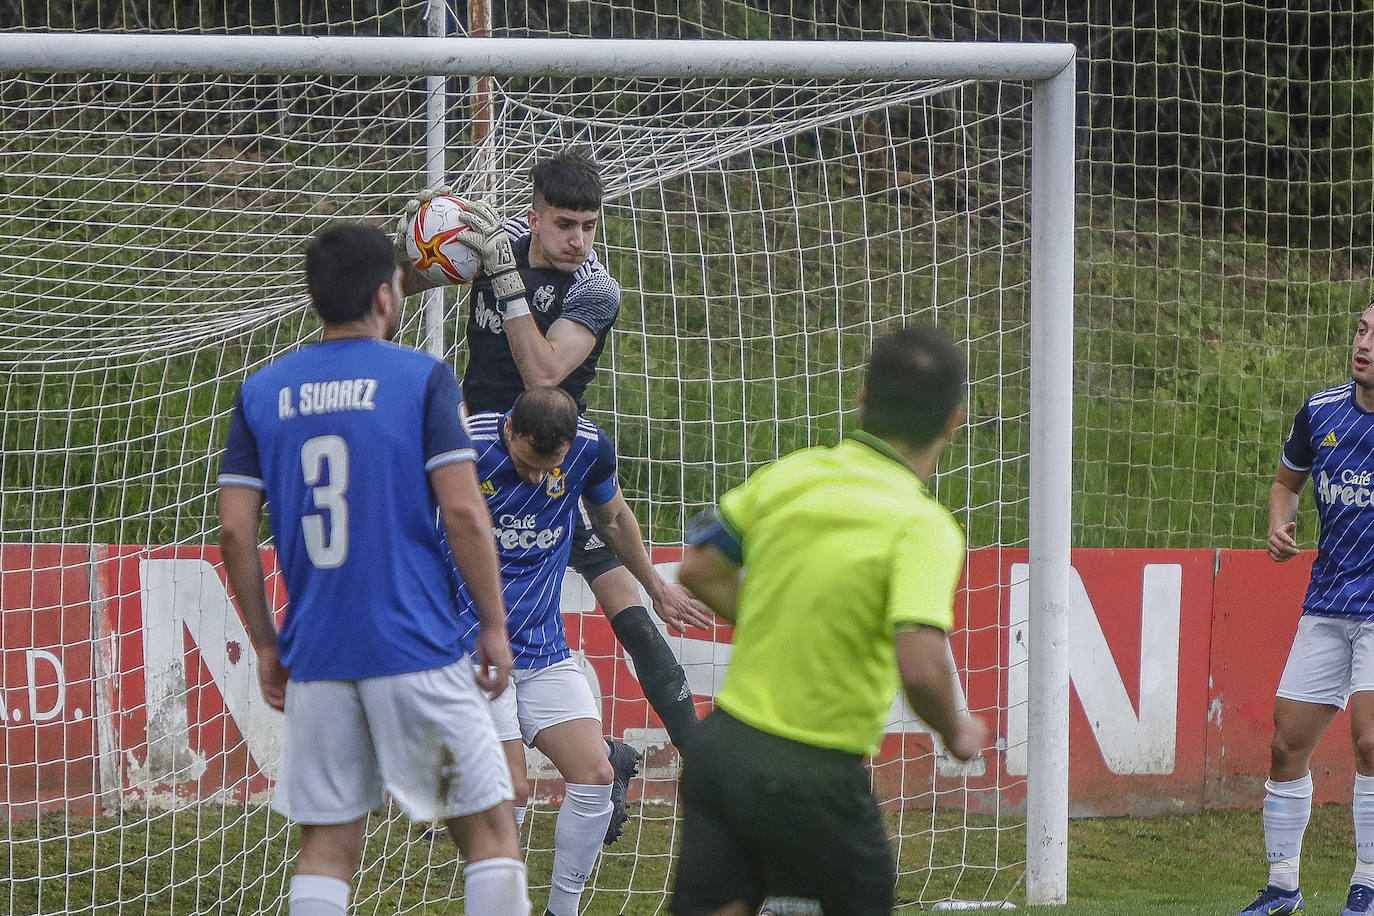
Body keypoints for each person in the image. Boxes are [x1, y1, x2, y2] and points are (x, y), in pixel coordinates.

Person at [217, 223, 529, 916]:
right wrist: (493, 623)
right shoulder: (421, 379)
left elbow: (236, 528)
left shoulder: (262, 391)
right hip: (415, 648)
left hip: (320, 657)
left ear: (313, 298)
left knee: (328, 844)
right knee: (488, 831)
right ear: (388, 295)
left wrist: (268, 643)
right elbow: (464, 513)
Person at [401, 147, 708, 831]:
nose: (578, 240)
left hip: (556, 453)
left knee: (624, 590)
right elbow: (396, 292)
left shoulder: (595, 289)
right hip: (484, 458)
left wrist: (505, 279)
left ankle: (699, 755)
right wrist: (413, 254)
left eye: (589, 226)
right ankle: (581, 758)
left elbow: (543, 375)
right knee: (449, 600)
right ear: (534, 217)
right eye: (565, 224)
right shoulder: (493, 243)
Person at [668, 325, 988, 916]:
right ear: (954, 421)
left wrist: (773, 617)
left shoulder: (794, 474)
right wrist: (957, 732)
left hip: (724, 750)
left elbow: (699, 567)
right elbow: (920, 666)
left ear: (862, 401)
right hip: (813, 771)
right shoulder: (924, 527)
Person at [455, 385, 668, 915]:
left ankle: (561, 911)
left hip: (544, 648)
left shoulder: (590, 448)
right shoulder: (463, 447)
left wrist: (657, 589)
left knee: (596, 778)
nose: (534, 477)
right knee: (512, 795)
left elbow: (614, 518)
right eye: (526, 463)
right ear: (510, 430)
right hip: (472, 650)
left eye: (546, 468)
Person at [1232, 299, 1374, 916]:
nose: (1363, 343)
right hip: (1326, 603)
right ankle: (1283, 889)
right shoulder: (1321, 412)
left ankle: (1367, 886)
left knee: (1371, 744)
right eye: (1363, 330)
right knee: (1287, 746)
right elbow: (1286, 485)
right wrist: (1278, 528)